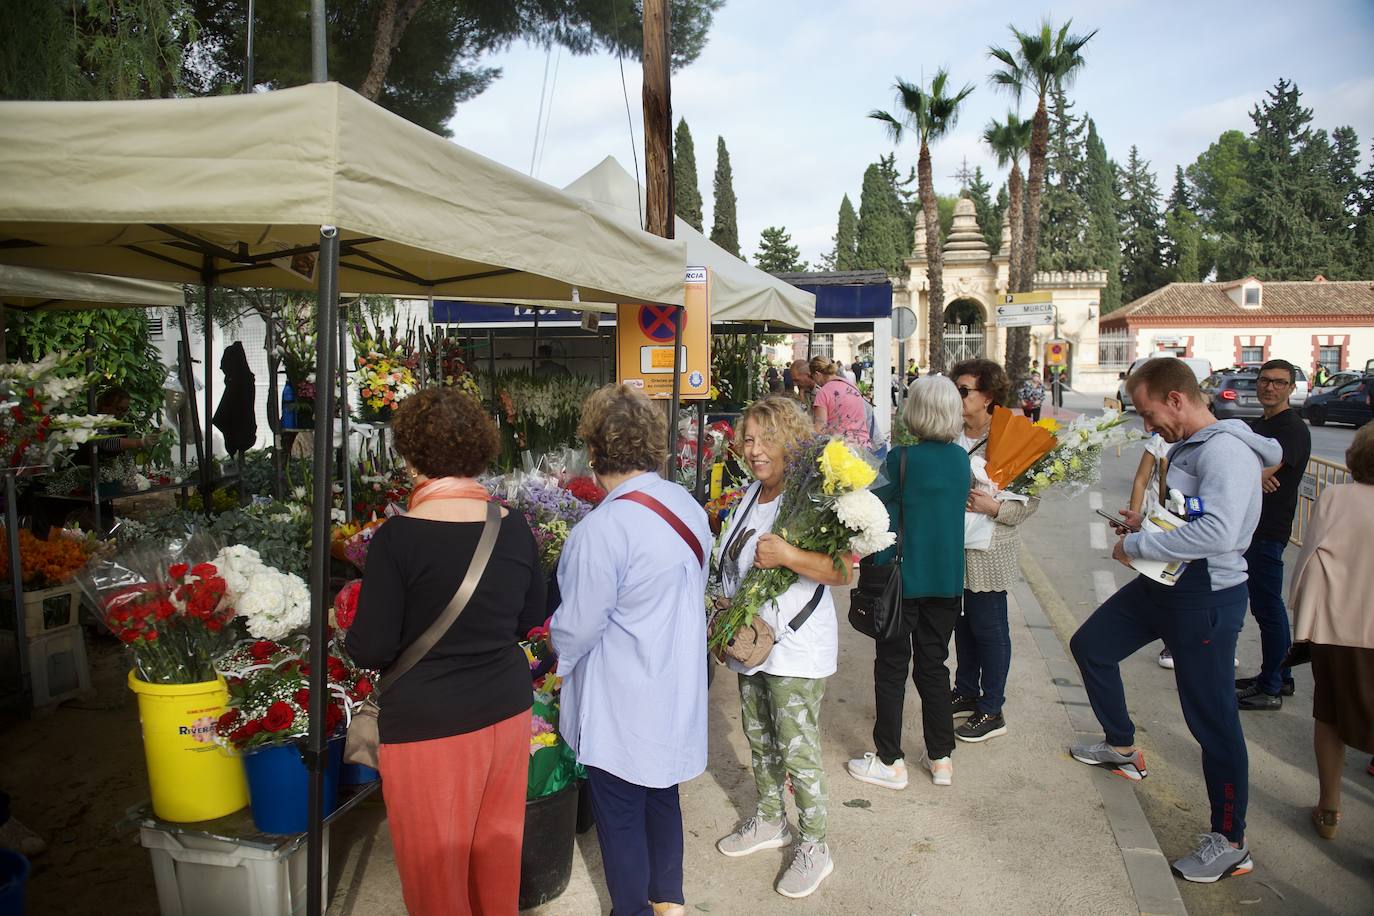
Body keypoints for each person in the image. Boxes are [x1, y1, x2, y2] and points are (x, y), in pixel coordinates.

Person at [1068, 357, 1281, 884]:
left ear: (1177, 399)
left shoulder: (1225, 451)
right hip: (1165, 585)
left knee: (1212, 721)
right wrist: (1149, 522)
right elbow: (1194, 515)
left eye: (1148, 413)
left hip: (1205, 598)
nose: (1147, 425)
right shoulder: (1191, 444)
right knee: (1092, 646)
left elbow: (1220, 532)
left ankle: (1231, 841)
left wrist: (1139, 544)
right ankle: (1122, 747)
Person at [346, 388, 545, 916]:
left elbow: (372, 647)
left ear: (411, 457)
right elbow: (530, 617)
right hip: (504, 709)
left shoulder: (397, 539)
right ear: (478, 450)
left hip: (427, 723)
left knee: (436, 875)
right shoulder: (514, 526)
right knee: (496, 860)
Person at [551, 384, 710, 916]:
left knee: (619, 812)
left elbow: (576, 628)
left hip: (620, 695)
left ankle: (632, 909)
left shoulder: (601, 529)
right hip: (675, 678)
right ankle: (668, 899)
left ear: (594, 450)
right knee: (662, 792)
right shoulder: (685, 506)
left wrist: (555, 659)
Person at [713, 396, 848, 899]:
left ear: (791, 440)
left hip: (796, 645)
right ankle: (771, 820)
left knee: (798, 748)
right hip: (753, 643)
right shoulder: (751, 494)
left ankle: (815, 845)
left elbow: (842, 569)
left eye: (766, 439)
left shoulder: (810, 496)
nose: (754, 450)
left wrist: (790, 554)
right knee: (760, 737)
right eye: (748, 439)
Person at [846, 376, 969, 790]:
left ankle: (889, 760)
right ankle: (941, 757)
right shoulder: (961, 460)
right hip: (947, 582)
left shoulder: (901, 459)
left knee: (892, 667)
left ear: (915, 411)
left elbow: (872, 508)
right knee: (934, 666)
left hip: (900, 583)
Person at [1289, 424, 1374, 839]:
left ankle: (1329, 810)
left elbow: (1308, 561)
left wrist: (1300, 622)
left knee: (1329, 717)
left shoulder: (1336, 497)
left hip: (1337, 629)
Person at [949, 359, 1039, 743]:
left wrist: (995, 508)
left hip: (988, 550)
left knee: (989, 628)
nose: (957, 396)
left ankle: (992, 708)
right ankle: (966, 690)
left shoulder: (1010, 437)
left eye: (964, 390)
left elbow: (1030, 502)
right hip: (953, 546)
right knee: (962, 624)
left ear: (987, 396)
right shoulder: (950, 432)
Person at [1235, 359, 1311, 709]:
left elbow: (1261, 472)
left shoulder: (1292, 429)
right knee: (1264, 607)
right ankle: (1280, 676)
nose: (1270, 387)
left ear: (1291, 388)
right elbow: (1245, 469)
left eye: (1279, 382)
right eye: (1265, 380)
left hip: (1268, 530)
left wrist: (1251, 473)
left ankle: (1271, 688)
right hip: (1249, 526)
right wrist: (1254, 474)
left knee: (1268, 608)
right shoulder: (1256, 426)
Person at [809, 356, 871, 449]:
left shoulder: (823, 392)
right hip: (863, 445)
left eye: (812, 377)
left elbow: (820, 430)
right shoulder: (852, 386)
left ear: (817, 374)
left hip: (841, 450)